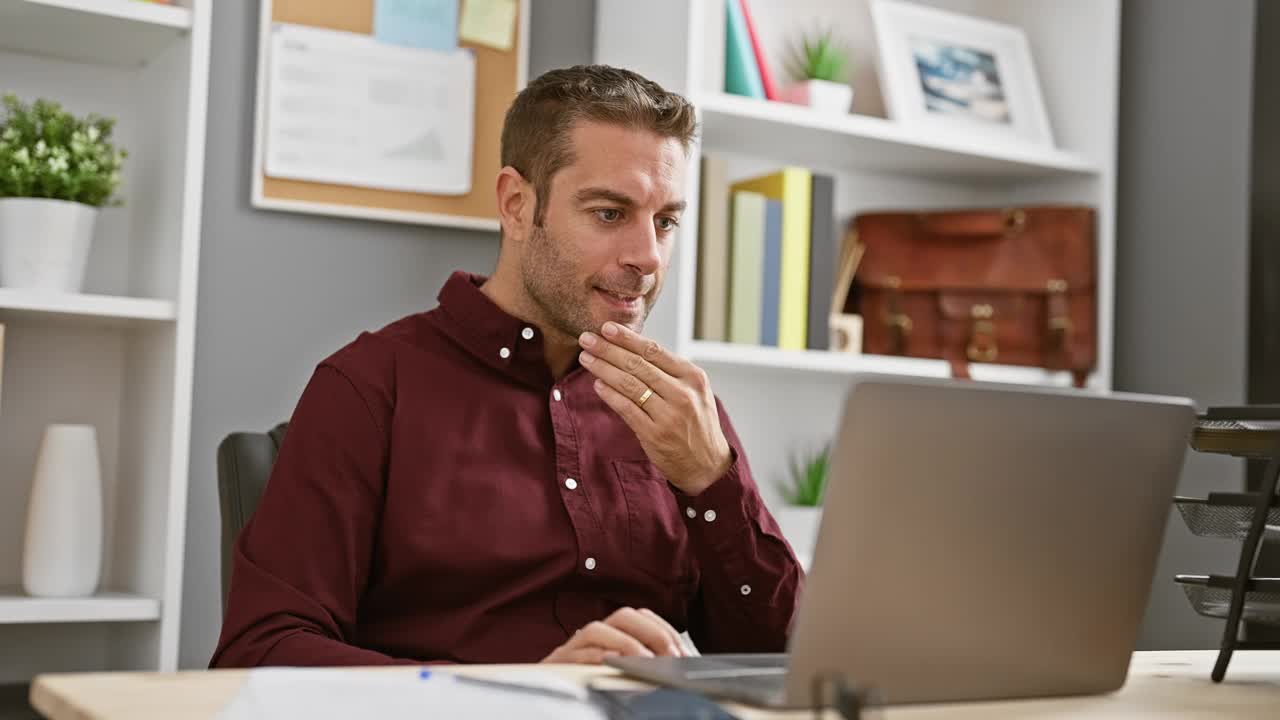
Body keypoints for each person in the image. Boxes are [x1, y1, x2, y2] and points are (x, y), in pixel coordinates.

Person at [210, 65, 803, 668]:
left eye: (666, 221)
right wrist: (509, 697)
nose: (648, 256)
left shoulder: (681, 408)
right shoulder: (367, 389)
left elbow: (792, 661)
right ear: (518, 206)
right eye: (608, 213)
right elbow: (260, 650)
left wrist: (713, 481)